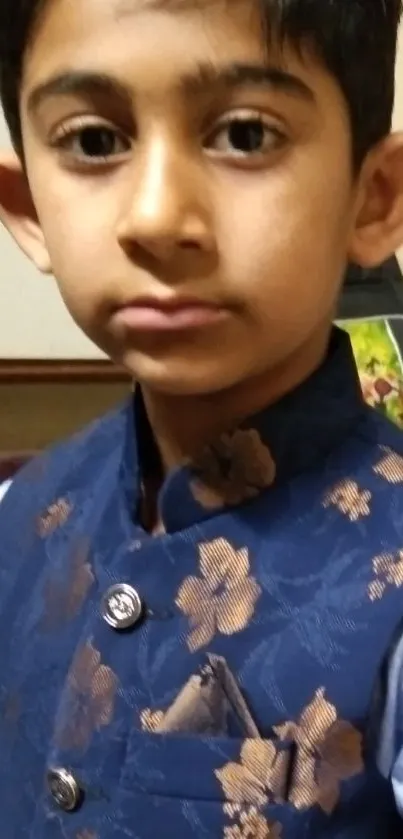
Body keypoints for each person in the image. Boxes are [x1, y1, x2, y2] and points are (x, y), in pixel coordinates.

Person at [1, 0, 403, 835]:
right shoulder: (21, 508)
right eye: (93, 141)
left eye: (245, 135)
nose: (155, 217)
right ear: (27, 208)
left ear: (373, 199)